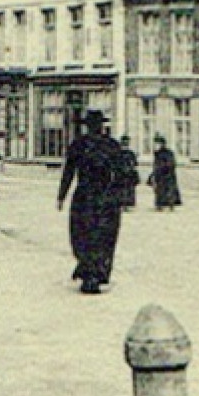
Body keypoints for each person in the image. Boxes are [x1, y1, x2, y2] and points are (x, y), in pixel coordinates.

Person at [56, 110, 125, 294]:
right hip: (104, 197)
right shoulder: (110, 146)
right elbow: (122, 175)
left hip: (85, 197)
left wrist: (62, 196)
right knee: (102, 236)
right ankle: (95, 273)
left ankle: (89, 272)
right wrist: (120, 198)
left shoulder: (79, 145)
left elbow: (68, 173)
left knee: (84, 234)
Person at [150, 133, 181, 211]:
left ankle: (170, 204)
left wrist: (163, 168)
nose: (155, 146)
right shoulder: (157, 153)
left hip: (167, 175)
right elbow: (155, 165)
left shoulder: (168, 153)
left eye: (157, 144)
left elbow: (171, 164)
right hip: (159, 175)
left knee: (168, 190)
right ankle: (159, 205)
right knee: (159, 191)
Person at [117, 134, 140, 211]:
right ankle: (123, 204)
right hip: (121, 174)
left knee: (128, 190)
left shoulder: (129, 153)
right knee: (122, 190)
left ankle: (126, 204)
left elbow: (135, 164)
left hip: (128, 175)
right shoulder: (119, 153)